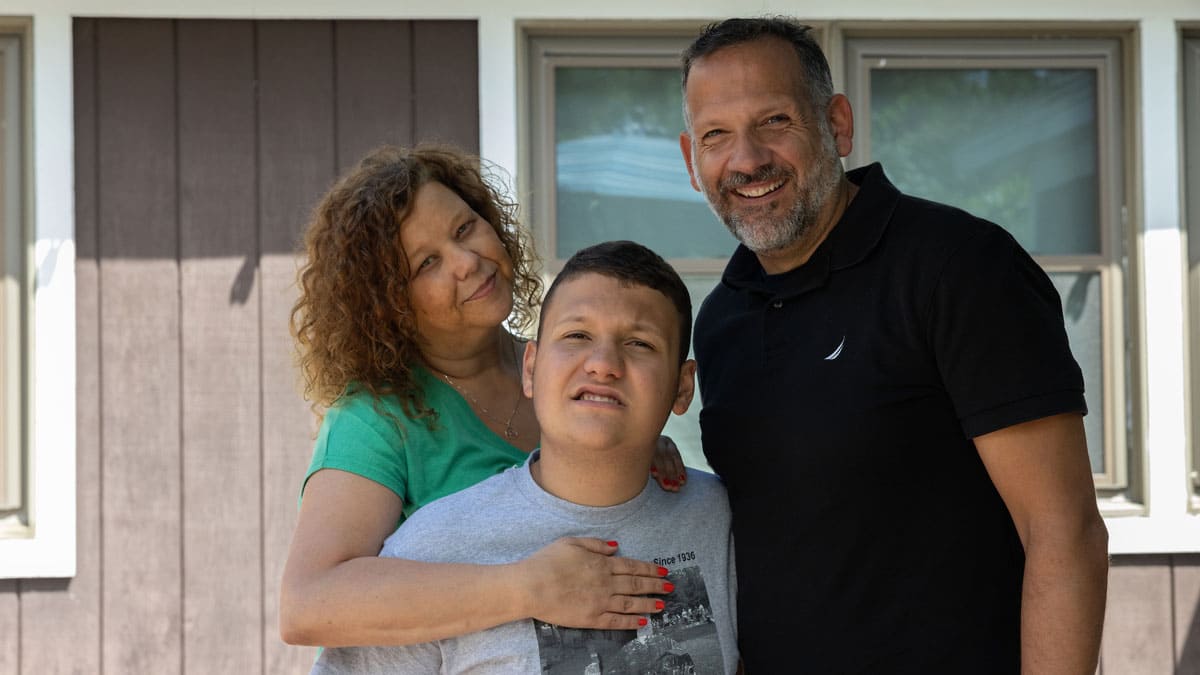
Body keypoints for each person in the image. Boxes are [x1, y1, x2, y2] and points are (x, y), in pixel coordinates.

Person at [677, 17, 1109, 674]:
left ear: (837, 125)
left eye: (774, 121)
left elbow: (1065, 532)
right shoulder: (720, 319)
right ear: (690, 161)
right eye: (717, 136)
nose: (747, 159)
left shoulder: (957, 268)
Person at [280, 146, 683, 648]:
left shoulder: (566, 368)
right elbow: (308, 604)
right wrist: (526, 588)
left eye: (465, 228)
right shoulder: (374, 420)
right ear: (386, 305)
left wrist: (635, 449)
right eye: (427, 262)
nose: (468, 262)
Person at [312, 240, 737, 674]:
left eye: (639, 343)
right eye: (577, 335)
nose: (604, 363)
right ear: (530, 368)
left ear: (683, 388)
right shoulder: (430, 549)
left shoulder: (721, 519)